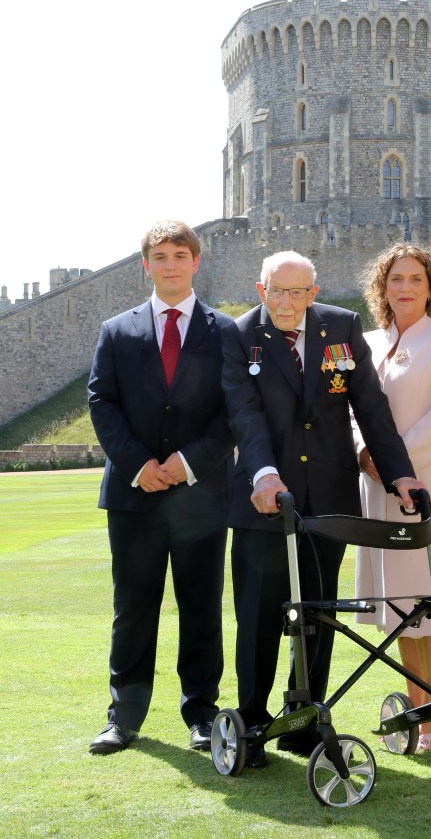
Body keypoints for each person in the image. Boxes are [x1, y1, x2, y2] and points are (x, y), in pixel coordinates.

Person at [221, 250, 424, 768]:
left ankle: (305, 721)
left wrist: (398, 472)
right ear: (261, 288)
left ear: (314, 292)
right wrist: (265, 476)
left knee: (318, 616)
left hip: (330, 499)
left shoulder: (341, 326)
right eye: (277, 291)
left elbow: (370, 408)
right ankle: (254, 722)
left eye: (298, 292)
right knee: (261, 617)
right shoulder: (240, 335)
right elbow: (245, 417)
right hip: (264, 502)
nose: (287, 303)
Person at [87, 220, 235, 754]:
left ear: (197, 262)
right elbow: (102, 403)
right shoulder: (117, 331)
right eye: (160, 256)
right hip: (134, 496)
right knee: (133, 607)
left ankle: (201, 713)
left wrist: (188, 463)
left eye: (180, 254)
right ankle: (123, 717)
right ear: (144, 265)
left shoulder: (225, 331)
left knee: (201, 606)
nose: (170, 264)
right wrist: (138, 465)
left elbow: (232, 411)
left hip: (201, 496)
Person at [354, 243, 431, 750]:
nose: (405, 288)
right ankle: (418, 706)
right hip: (375, 485)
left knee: (429, 598)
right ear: (382, 288)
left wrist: (396, 461)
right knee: (397, 603)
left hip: (428, 480)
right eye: (396, 279)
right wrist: (365, 452)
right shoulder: (364, 342)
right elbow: (350, 410)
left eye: (416, 280)